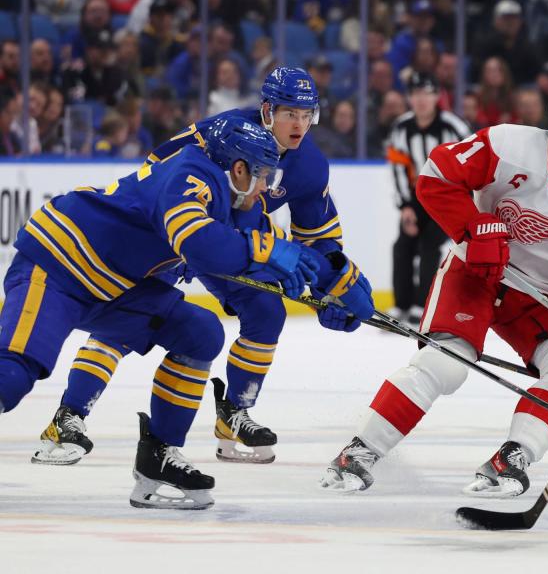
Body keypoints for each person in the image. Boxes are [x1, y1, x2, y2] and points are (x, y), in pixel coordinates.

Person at [31, 67, 375, 467]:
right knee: (130, 315)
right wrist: (232, 238)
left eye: (307, 114)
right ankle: (70, 415)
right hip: (175, 236)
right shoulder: (224, 131)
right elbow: (162, 169)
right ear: (266, 110)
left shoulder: (310, 165)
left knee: (266, 311)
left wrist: (330, 287)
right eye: (288, 113)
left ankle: (234, 414)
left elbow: (318, 236)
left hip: (237, 245)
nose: (299, 124)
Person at [322, 76, 548, 495]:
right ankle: (358, 453)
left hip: (541, 298)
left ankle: (513, 457)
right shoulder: (507, 145)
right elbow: (434, 178)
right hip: (477, 274)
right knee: (447, 362)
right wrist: (474, 228)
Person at [0, 114, 326, 508]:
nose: (265, 189)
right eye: (263, 177)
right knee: (13, 376)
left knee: (200, 333)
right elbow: (203, 245)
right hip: (59, 264)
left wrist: (334, 288)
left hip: (114, 285)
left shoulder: (234, 197)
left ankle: (159, 457)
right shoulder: (191, 174)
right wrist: (264, 252)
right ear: (238, 169)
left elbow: (257, 244)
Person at [385, 72, 471, 326]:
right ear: (409, 97)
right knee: (402, 245)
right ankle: (401, 305)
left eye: (427, 93)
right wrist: (406, 208)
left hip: (450, 199)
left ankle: (422, 305)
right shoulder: (401, 128)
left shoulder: (454, 127)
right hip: (417, 200)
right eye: (416, 94)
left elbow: (472, 166)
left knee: (429, 246)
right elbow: (398, 169)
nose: (421, 99)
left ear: (437, 97)